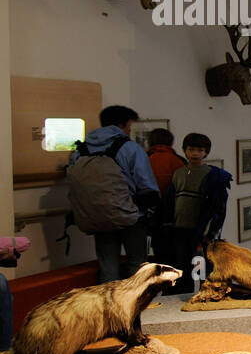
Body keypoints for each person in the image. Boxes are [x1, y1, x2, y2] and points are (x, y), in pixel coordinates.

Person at [68, 106, 160, 282]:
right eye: (128, 126)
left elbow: (73, 187)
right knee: (137, 264)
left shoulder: (80, 151)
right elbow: (146, 185)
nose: (129, 130)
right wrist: (150, 210)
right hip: (131, 216)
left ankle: (110, 306)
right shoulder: (130, 149)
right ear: (120, 125)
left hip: (98, 217)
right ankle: (135, 305)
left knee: (108, 265)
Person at [159, 133, 232, 295]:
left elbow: (216, 208)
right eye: (191, 149)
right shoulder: (178, 174)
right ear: (185, 151)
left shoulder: (212, 176)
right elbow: (170, 202)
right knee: (182, 266)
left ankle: (207, 295)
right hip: (179, 229)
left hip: (201, 232)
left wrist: (208, 232)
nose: (195, 154)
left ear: (206, 153)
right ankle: (182, 296)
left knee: (204, 267)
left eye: (200, 150)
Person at [146, 128, 186, 194]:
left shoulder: (142, 159)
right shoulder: (179, 160)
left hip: (149, 200)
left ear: (150, 141)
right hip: (174, 201)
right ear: (170, 141)